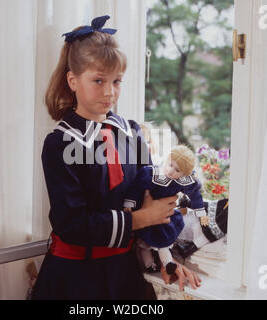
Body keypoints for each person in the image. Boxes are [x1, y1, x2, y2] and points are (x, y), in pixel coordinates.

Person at [31, 15, 201, 300]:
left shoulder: (131, 133)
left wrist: (167, 260)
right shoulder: (60, 143)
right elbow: (72, 224)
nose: (110, 92)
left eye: (117, 81)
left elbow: (154, 199)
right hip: (74, 279)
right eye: (98, 80)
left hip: (125, 275)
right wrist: (140, 219)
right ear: (72, 80)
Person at [123, 145, 207, 283]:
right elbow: (136, 187)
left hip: (165, 215)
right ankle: (153, 264)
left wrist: (201, 213)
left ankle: (166, 263)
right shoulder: (151, 173)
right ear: (167, 160)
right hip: (146, 212)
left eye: (177, 170)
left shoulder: (181, 181)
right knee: (144, 242)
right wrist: (129, 204)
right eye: (170, 165)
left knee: (163, 237)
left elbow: (195, 195)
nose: (171, 171)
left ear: (184, 174)